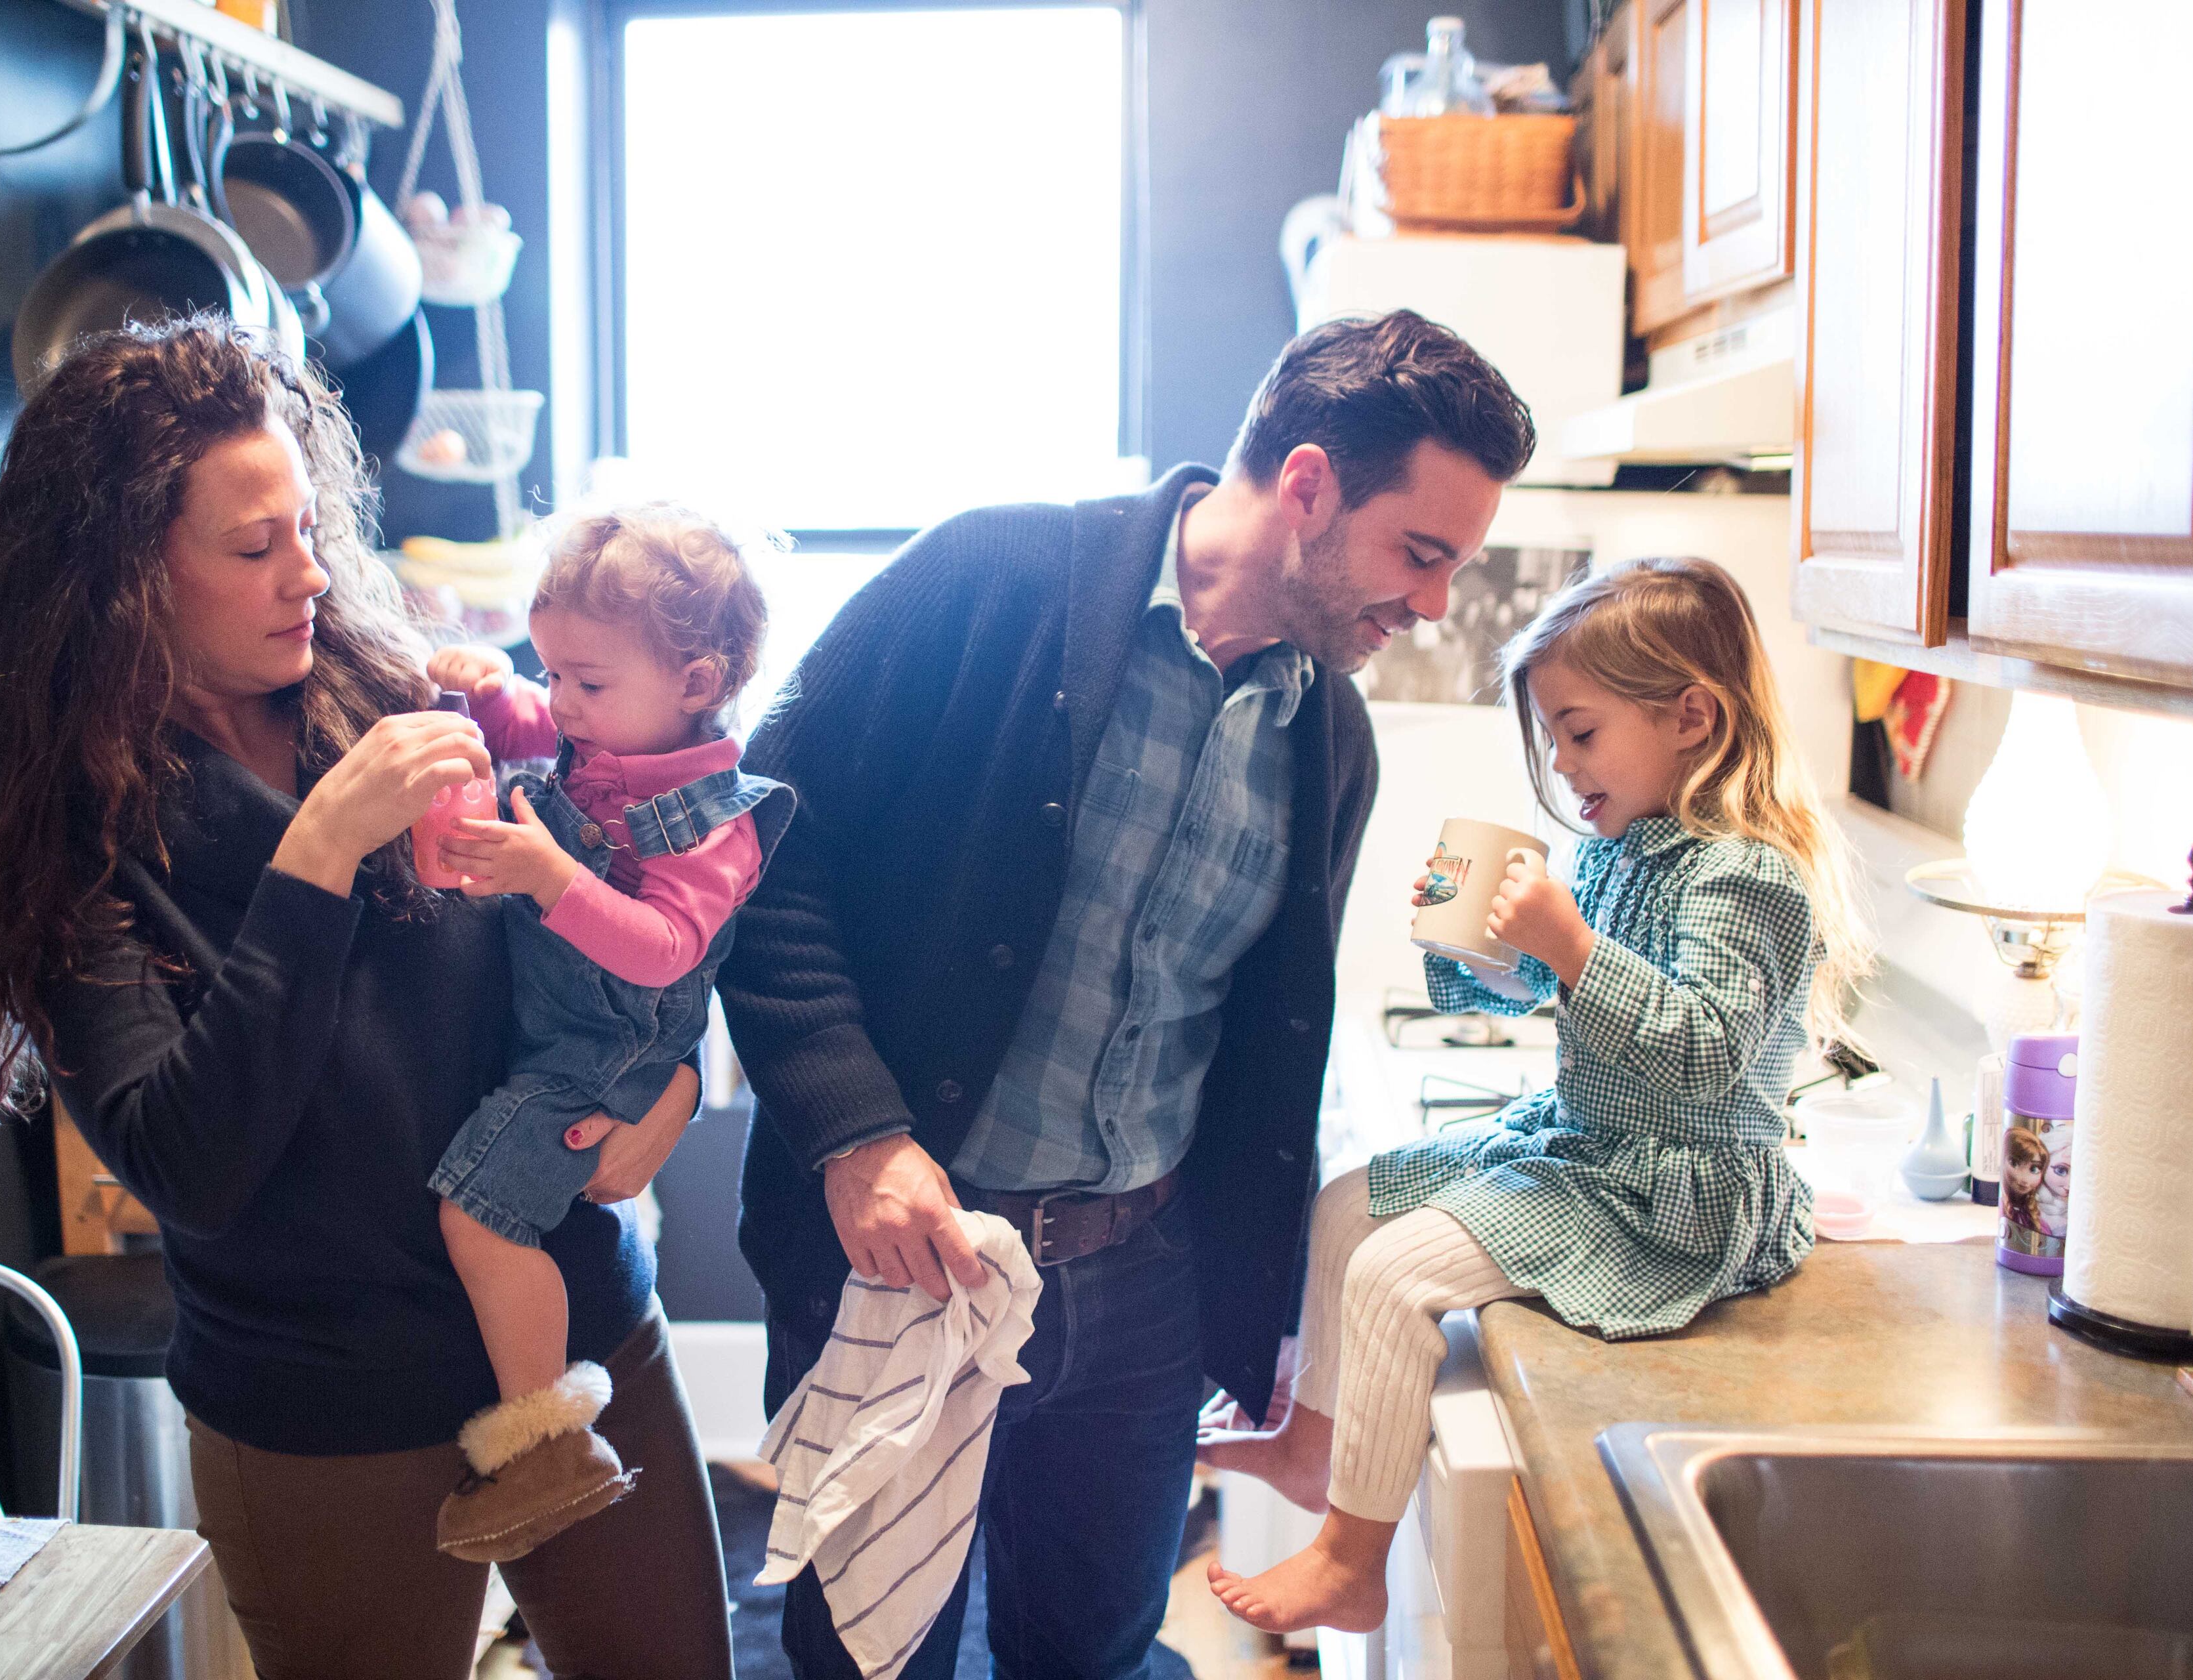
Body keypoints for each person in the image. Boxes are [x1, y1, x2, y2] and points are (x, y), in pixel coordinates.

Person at [717, 310, 1535, 1678]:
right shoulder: (995, 574)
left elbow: (1251, 1046)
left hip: (1140, 1294)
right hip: (908, 1252)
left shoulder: (1330, 733)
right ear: (1312, 485)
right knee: (872, 1657)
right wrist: (856, 1133)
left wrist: (1250, 1299)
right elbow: (759, 833)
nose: (1437, 602)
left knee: (1092, 1654)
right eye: (1422, 553)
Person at [0, 320, 734, 1680]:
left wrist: (671, 1085)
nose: (308, 572)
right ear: (129, 577)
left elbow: (621, 908)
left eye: (307, 527)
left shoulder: (384, 686)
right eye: (254, 547)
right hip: (327, 1413)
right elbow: (196, 1158)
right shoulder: (73, 837)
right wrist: (317, 852)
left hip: (575, 1334)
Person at [1200, 556, 1875, 1633]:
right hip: (1590, 1145)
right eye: (1553, 740)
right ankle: (1314, 1445)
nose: (1561, 767)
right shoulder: (1622, 850)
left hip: (1673, 1191)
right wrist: (1475, 940)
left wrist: (1570, 947)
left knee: (1392, 1273)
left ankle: (1349, 1560)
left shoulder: (1748, 877)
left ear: (1692, 717)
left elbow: (1701, 1053)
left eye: (1580, 732)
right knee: (1343, 1206)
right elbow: (1536, 987)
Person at [421, 508, 792, 1562]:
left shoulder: (715, 820)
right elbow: (533, 734)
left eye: (588, 682)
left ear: (694, 682)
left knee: (482, 1215)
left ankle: (546, 1442)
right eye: (552, 674)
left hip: (608, 1051)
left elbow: (667, 948)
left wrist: (550, 875)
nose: (563, 707)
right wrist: (492, 692)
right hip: (556, 1023)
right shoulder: (602, 736)